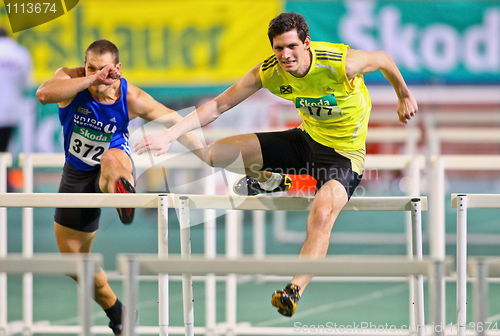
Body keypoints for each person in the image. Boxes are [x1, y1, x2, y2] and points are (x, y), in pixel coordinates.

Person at [135, 13, 418, 317]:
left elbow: (385, 59)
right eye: (278, 48)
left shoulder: (340, 62)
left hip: (343, 157)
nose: (285, 55)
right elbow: (219, 105)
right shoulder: (269, 72)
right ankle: (273, 180)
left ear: (306, 44)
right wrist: (170, 135)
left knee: (322, 214)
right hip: (304, 141)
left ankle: (293, 289)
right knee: (214, 155)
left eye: (292, 47)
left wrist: (403, 94)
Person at [36, 39, 204, 334]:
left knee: (112, 161)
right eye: (91, 67)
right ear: (84, 65)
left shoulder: (131, 97)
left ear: (118, 69)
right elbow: (43, 94)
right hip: (76, 174)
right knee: (75, 262)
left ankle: (122, 192)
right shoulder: (70, 79)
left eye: (104, 69)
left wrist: (206, 154)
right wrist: (90, 78)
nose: (98, 75)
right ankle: (118, 313)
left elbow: (173, 119)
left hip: (114, 162)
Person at [0, 27, 31, 152]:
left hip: (9, 108)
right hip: (10, 109)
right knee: (4, 150)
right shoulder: (20, 53)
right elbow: (26, 85)